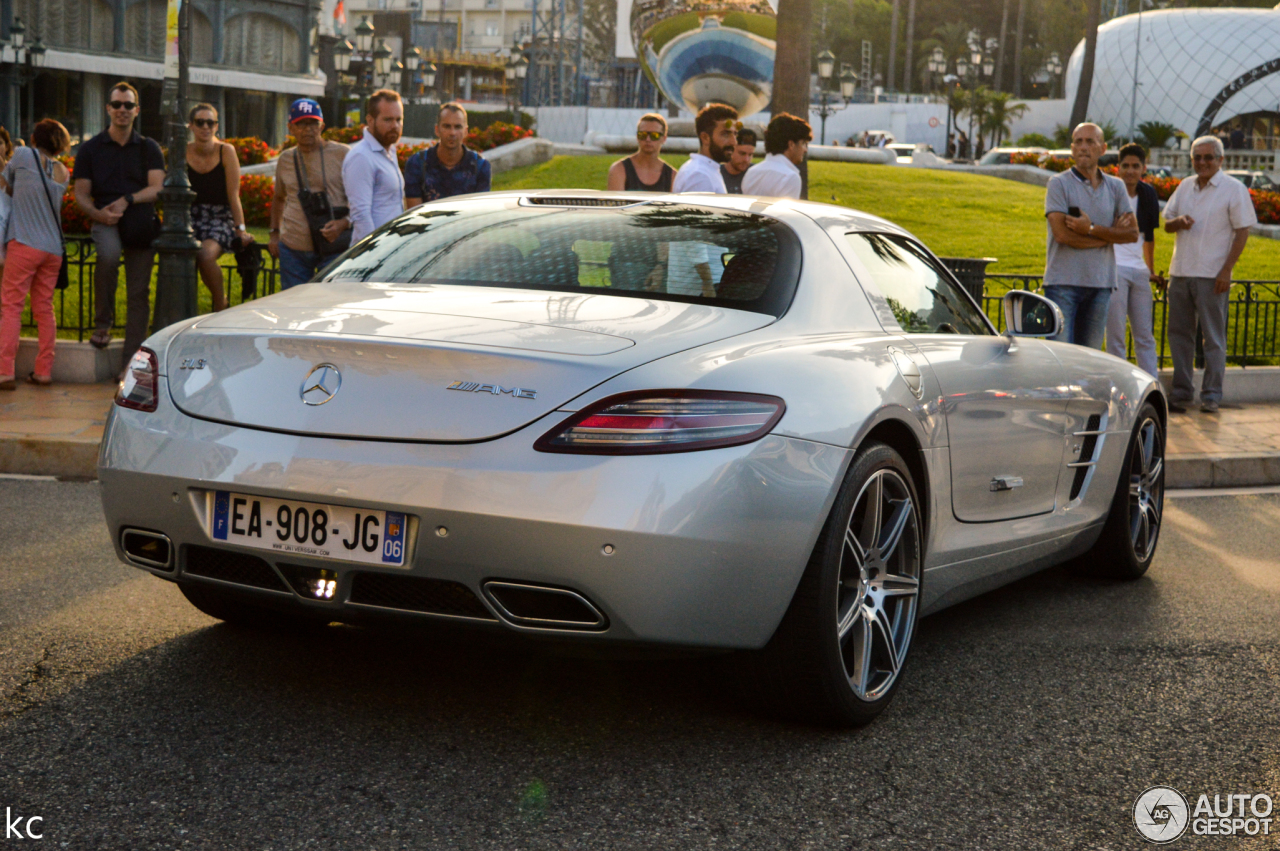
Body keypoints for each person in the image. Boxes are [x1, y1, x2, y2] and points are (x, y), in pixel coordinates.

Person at [73, 81, 165, 371]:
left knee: (139, 292)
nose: (122, 110)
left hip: (139, 222)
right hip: (106, 220)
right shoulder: (91, 149)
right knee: (109, 256)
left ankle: (130, 361)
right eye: (117, 105)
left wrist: (128, 199)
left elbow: (157, 188)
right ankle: (103, 323)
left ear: (137, 110)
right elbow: (80, 194)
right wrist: (99, 215)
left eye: (128, 105)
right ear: (108, 108)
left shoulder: (149, 147)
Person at [1163, 135, 1256, 413]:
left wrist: (1227, 270)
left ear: (1220, 160)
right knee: (1179, 335)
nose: (1202, 162)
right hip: (1180, 273)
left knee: (1213, 338)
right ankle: (1181, 393)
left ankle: (1212, 395)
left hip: (1213, 275)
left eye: (1208, 157)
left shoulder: (1232, 189)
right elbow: (1167, 224)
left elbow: (1243, 231)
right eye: (1197, 157)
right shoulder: (1184, 187)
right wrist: (1177, 222)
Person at [1042, 122, 1138, 349]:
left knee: (1089, 359)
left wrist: (1091, 229)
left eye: (1090, 141)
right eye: (1078, 141)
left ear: (1103, 148)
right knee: (1061, 357)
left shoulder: (1116, 187)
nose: (1083, 147)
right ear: (1072, 148)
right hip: (1062, 284)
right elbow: (1063, 236)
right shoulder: (1058, 184)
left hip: (1100, 284)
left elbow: (1132, 233)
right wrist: (1109, 237)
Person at [0, 120, 71, 390]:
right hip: (52, 249)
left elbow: (4, 185)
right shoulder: (63, 171)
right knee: (44, 309)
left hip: (24, 241)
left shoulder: (22, 155)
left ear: (32, 138)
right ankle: (43, 371)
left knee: (11, 306)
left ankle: (4, 370)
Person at [269, 98, 350, 289]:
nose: (308, 129)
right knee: (294, 308)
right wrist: (274, 233)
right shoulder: (286, 159)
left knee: (330, 305)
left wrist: (343, 223)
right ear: (290, 127)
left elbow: (359, 199)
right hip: (293, 250)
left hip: (334, 246)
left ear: (322, 125)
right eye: (301, 124)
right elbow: (279, 198)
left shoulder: (343, 154)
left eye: (313, 123)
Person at [187, 103, 252, 312]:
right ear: (191, 126)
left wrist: (240, 229)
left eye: (211, 122)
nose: (205, 127)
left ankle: (220, 304)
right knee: (184, 260)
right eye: (200, 122)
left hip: (220, 216)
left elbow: (234, 194)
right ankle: (184, 310)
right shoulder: (183, 151)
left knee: (205, 255)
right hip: (191, 217)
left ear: (216, 126)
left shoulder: (226, 151)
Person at [1104, 143, 1163, 376]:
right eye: (1125, 166)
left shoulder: (1148, 194)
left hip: (1139, 271)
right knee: (1116, 335)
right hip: (1114, 267)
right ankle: (1118, 386)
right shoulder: (1109, 191)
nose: (1130, 171)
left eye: (1135, 166)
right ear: (1118, 168)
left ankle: (1152, 385)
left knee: (1145, 336)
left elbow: (1149, 237)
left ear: (1144, 168)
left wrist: (1150, 270)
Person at [343, 88, 405, 243]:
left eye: (398, 120)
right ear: (370, 120)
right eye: (388, 120)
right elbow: (360, 215)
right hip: (374, 255)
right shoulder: (361, 156)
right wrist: (374, 254)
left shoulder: (389, 150)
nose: (395, 126)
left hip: (391, 249)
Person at [404, 103, 492, 204]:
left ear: (465, 131)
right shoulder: (417, 164)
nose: (452, 133)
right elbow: (415, 213)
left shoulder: (480, 166)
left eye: (458, 127)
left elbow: (479, 212)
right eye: (447, 126)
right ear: (437, 130)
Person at [671, 103, 738, 194]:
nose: (733, 142)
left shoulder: (706, 170)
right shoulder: (700, 176)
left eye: (735, 134)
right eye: (725, 134)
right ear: (705, 138)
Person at [742, 113, 810, 199]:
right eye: (803, 143)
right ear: (791, 145)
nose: (805, 149)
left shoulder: (751, 172)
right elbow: (785, 212)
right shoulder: (790, 177)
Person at [606, 112, 676, 192]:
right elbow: (616, 203)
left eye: (654, 135)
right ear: (637, 137)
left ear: (664, 139)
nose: (648, 139)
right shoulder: (619, 170)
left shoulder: (672, 176)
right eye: (643, 135)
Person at [720, 128, 757, 194]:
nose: (746, 159)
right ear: (730, 151)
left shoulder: (757, 175)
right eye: (742, 153)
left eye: (750, 155)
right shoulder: (717, 174)